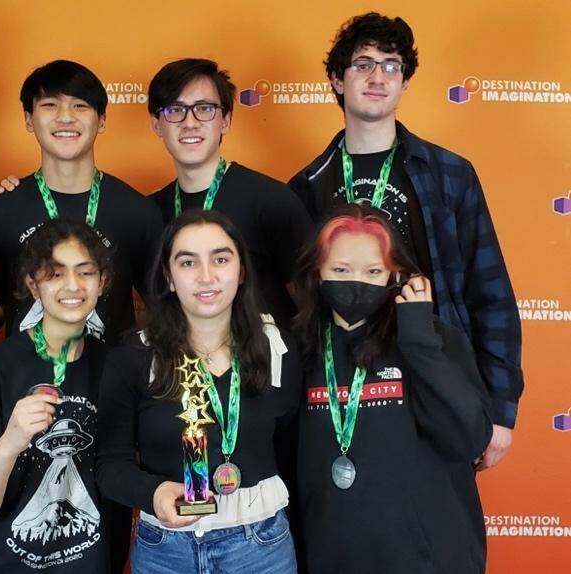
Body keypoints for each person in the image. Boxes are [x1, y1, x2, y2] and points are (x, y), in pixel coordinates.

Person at [288, 12, 522, 470]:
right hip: (341, 391)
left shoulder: (450, 174)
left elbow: (490, 295)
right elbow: (296, 306)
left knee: (437, 527)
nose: (378, 77)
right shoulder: (306, 187)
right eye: (363, 64)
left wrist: (499, 409)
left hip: (433, 376)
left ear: (405, 81)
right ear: (337, 80)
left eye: (391, 65)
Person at [96, 210, 300, 573]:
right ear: (169, 278)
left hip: (261, 547)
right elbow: (110, 465)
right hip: (165, 551)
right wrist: (153, 493)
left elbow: (291, 449)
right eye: (188, 262)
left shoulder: (278, 350)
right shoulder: (133, 357)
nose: (206, 277)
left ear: (242, 271)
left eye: (220, 259)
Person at [292, 205, 492, 573]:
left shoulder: (435, 338)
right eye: (340, 270)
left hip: (429, 559)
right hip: (332, 558)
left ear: (394, 274)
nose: (356, 281)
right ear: (316, 272)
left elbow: (468, 438)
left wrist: (418, 339)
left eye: (373, 271)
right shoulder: (297, 348)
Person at [0, 219, 113, 572]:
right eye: (55, 274)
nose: (72, 286)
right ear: (33, 285)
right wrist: (10, 442)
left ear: (102, 282)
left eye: (86, 272)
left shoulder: (115, 368)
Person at [0, 60, 163, 344]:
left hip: (111, 384)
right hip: (24, 384)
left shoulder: (137, 212)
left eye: (80, 105)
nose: (66, 117)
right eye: (50, 105)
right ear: (29, 119)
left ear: (101, 120)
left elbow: (162, 309)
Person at [147, 58, 313, 331]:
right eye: (175, 110)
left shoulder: (272, 201)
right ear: (157, 124)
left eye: (204, 109)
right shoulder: (151, 213)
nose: (190, 122)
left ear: (225, 120)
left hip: (263, 367)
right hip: (183, 369)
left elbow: (309, 306)